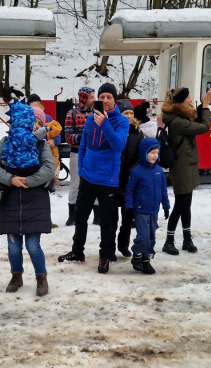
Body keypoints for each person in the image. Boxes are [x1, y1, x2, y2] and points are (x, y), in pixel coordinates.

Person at [57, 83, 129, 274]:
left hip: (107, 179)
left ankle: (105, 255)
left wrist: (104, 124)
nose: (105, 100)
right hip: (88, 177)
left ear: (114, 100)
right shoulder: (90, 120)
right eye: (102, 97)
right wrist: (81, 168)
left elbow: (118, 145)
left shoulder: (121, 121)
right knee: (80, 216)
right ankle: (77, 251)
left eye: (109, 97)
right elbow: (83, 147)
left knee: (106, 221)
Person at [0, 101, 55, 296]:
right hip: (10, 201)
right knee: (13, 247)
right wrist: (11, 179)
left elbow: (49, 168)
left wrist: (28, 180)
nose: (34, 125)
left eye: (36, 122)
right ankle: (16, 275)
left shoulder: (40, 144)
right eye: (30, 121)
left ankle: (41, 277)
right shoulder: (5, 143)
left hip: (35, 201)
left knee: (33, 246)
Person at [161, 87, 211, 255]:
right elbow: (204, 127)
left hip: (187, 163)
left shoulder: (180, 117)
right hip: (181, 166)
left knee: (186, 204)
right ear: (182, 101)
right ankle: (168, 241)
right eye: (189, 97)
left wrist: (201, 108)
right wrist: (205, 106)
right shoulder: (177, 122)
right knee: (180, 204)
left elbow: (196, 121)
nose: (191, 100)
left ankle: (187, 239)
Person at [125, 138, 170, 275]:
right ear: (144, 153)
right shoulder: (137, 172)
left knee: (151, 238)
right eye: (152, 152)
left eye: (157, 152)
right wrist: (129, 207)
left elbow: (163, 190)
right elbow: (130, 191)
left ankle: (146, 260)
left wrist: (166, 206)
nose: (155, 155)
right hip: (141, 210)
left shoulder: (159, 171)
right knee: (143, 237)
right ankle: (137, 255)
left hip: (154, 210)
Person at [63, 86, 94, 226]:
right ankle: (72, 215)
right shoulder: (72, 113)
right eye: (92, 97)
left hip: (94, 153)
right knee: (75, 183)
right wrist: (86, 138)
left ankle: (97, 216)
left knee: (95, 182)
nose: (94, 99)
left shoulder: (96, 112)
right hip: (77, 153)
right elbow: (68, 136)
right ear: (84, 98)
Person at [116, 99, 143, 257]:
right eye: (126, 113)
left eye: (131, 113)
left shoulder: (137, 133)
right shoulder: (115, 131)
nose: (129, 116)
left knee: (127, 218)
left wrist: (132, 171)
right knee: (112, 218)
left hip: (130, 181)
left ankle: (123, 245)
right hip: (114, 179)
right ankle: (109, 247)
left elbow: (141, 156)